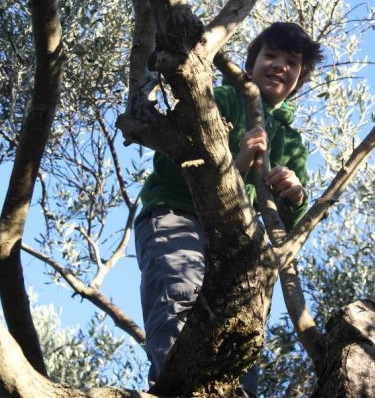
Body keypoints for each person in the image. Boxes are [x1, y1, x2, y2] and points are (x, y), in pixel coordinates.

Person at [134, 22, 324, 396]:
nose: (280, 66)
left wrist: (295, 196)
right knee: (180, 303)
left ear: (300, 79)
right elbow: (172, 165)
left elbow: (286, 228)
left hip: (236, 243)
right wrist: (235, 163)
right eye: (271, 55)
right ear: (250, 63)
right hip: (177, 217)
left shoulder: (292, 141)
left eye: (291, 62)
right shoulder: (220, 100)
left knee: (239, 332)